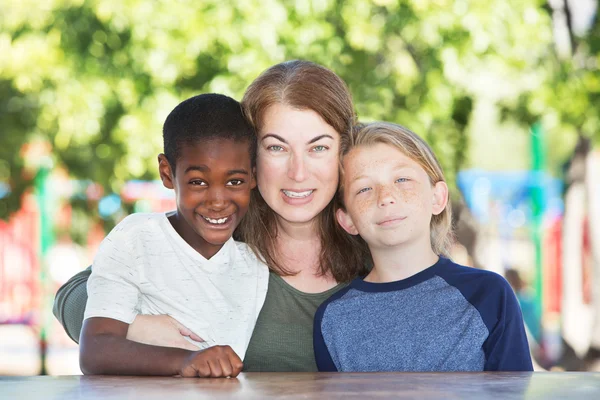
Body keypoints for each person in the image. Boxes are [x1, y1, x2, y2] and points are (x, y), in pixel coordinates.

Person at [53, 60, 369, 372]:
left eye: (318, 148)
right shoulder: (216, 230)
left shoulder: (376, 244)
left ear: (343, 151)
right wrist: (134, 327)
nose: (298, 173)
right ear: (251, 156)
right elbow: (73, 297)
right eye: (276, 148)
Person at [313, 122, 533, 372]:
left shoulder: (490, 295)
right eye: (364, 188)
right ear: (347, 220)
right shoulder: (334, 319)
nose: (385, 197)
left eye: (402, 179)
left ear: (437, 198)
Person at [79, 93, 269, 378]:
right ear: (167, 173)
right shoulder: (135, 240)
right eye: (198, 182)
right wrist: (186, 360)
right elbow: (94, 350)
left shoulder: (255, 261)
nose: (218, 200)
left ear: (254, 176)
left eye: (234, 181)